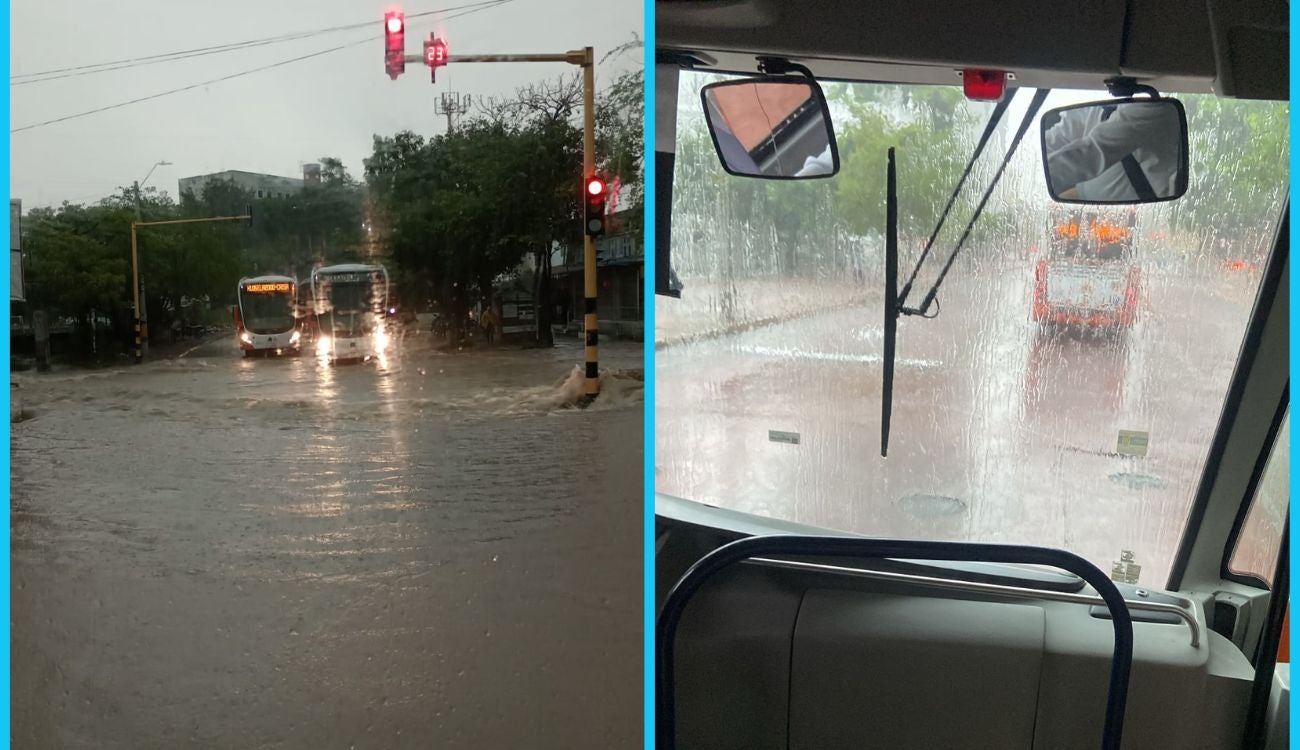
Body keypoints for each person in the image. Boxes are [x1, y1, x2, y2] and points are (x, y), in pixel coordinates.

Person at [1043, 101, 1182, 202]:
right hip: (1096, 215)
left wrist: (1041, 181)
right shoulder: (1091, 105)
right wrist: (1033, 166)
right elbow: (1057, 139)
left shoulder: (1152, 103)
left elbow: (1094, 152)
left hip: (1152, 216)